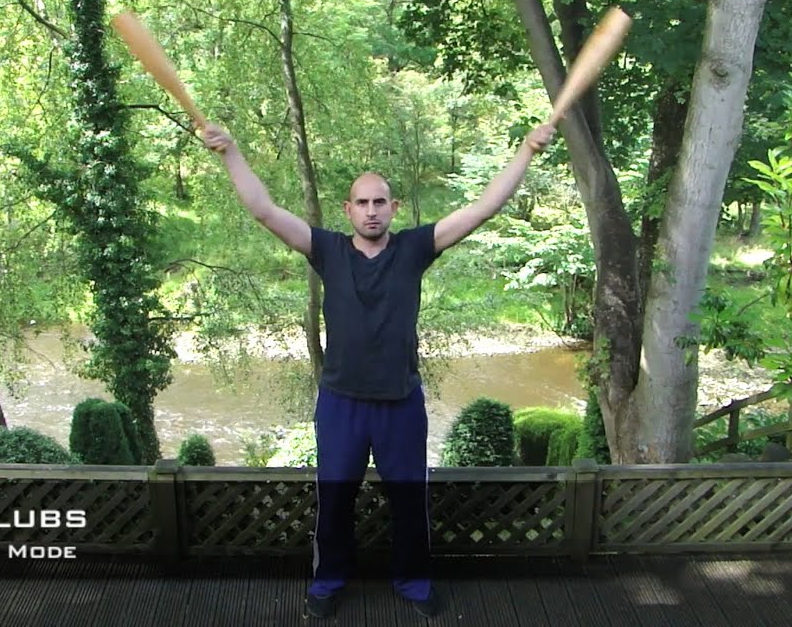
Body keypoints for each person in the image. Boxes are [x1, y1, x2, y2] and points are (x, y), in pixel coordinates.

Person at [201, 122, 555, 620]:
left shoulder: (414, 249)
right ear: (348, 210)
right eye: (362, 203)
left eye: (379, 202)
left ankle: (413, 580)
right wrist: (230, 151)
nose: (371, 210)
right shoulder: (327, 250)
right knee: (334, 501)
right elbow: (263, 209)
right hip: (341, 403)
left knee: (409, 502)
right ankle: (328, 581)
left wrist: (526, 150)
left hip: (400, 403)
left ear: (394, 208)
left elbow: (482, 208)